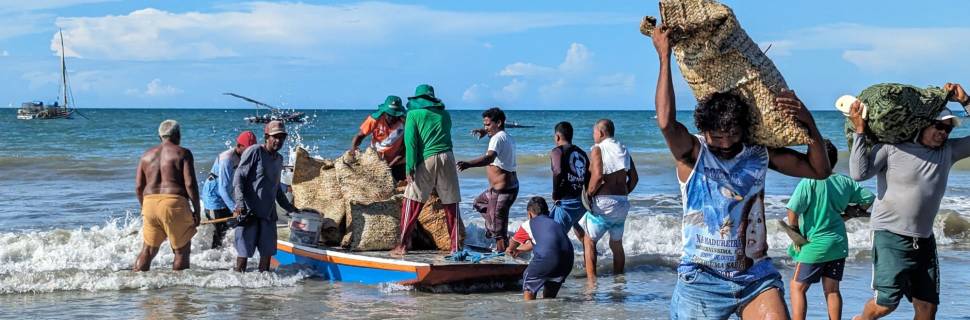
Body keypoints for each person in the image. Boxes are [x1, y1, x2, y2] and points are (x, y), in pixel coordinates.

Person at [652, 25, 832, 319]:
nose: (725, 144)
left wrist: (808, 122)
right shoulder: (693, 154)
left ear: (744, 130)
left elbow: (819, 170)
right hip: (701, 279)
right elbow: (665, 123)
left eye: (733, 135)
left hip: (755, 277)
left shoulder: (758, 153)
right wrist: (664, 57)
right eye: (717, 137)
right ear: (703, 131)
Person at [848, 83, 970, 320]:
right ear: (922, 124)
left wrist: (966, 101)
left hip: (924, 240)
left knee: (927, 309)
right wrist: (860, 131)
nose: (944, 133)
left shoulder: (948, 152)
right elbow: (858, 174)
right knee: (885, 305)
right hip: (890, 236)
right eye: (939, 126)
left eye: (948, 129)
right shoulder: (891, 148)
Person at [786, 140, 875, 320]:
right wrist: (849, 214)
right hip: (837, 244)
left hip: (815, 244)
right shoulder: (844, 181)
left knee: (797, 287)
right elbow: (868, 198)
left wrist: (795, 233)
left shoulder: (809, 181)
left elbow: (792, 210)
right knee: (832, 290)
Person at [391, 84, 462, 255]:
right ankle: (455, 247)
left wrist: (409, 167)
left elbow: (411, 143)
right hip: (448, 157)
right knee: (451, 203)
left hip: (427, 158)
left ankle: (402, 246)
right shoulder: (445, 114)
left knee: (412, 201)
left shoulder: (413, 114)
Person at [133, 120, 201, 271]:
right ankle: (179, 286)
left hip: (149, 203)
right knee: (181, 251)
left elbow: (138, 187)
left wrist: (144, 207)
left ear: (160, 137)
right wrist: (197, 211)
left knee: (148, 250)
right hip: (173, 203)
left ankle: (135, 280)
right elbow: (190, 184)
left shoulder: (146, 156)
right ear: (178, 135)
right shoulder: (183, 153)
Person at [232, 120, 299, 272]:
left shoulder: (279, 159)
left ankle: (264, 287)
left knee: (266, 256)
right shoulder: (255, 151)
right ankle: (238, 285)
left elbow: (276, 189)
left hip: (268, 215)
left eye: (282, 137)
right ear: (267, 137)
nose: (278, 141)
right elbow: (239, 177)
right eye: (275, 137)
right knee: (243, 256)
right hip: (249, 213)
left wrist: (291, 208)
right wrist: (240, 203)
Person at [578, 119, 637, 281]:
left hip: (604, 203)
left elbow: (597, 177)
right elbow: (634, 179)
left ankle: (592, 283)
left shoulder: (598, 149)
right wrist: (622, 195)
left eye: (594, 132)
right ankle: (619, 280)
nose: (593, 135)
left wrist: (589, 194)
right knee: (616, 243)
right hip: (622, 203)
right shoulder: (623, 149)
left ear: (601, 133)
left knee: (589, 241)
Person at [458, 107, 519, 252]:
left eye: (487, 125)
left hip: (501, 190)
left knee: (498, 231)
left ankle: (503, 255)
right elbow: (496, 137)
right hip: (508, 188)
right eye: (484, 125)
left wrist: (468, 164)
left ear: (498, 123)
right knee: (479, 202)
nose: (485, 127)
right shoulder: (506, 136)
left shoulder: (497, 138)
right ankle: (496, 227)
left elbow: (489, 158)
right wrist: (486, 131)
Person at [506, 197, 574, 300]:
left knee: (528, 278)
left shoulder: (528, 224)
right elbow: (541, 243)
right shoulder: (555, 223)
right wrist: (519, 250)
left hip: (548, 259)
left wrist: (510, 250)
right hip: (567, 260)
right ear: (547, 212)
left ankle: (529, 308)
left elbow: (512, 244)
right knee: (550, 298)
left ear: (529, 214)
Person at [201, 131, 257, 249]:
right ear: (239, 146)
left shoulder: (246, 156)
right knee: (220, 232)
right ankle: (213, 257)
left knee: (234, 227)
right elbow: (222, 189)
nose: (250, 154)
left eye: (252, 150)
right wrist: (235, 209)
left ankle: (233, 252)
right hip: (214, 197)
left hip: (228, 195)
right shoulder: (227, 159)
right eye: (247, 150)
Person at [548, 121, 591, 254]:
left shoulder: (557, 151)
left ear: (557, 136)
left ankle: (557, 262)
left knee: (554, 238)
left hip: (567, 202)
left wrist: (555, 194)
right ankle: (591, 255)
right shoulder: (582, 153)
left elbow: (557, 171)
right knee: (577, 228)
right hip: (581, 202)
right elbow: (588, 175)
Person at [349, 95, 408, 183]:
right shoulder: (374, 120)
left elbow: (405, 148)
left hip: (397, 162)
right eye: (389, 115)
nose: (392, 118)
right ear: (384, 112)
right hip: (376, 160)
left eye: (395, 115)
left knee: (398, 183)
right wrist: (353, 150)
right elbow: (359, 136)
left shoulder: (405, 123)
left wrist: (390, 165)